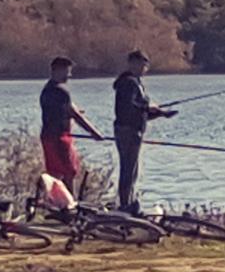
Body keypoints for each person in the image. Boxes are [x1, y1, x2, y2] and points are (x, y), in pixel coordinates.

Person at [112, 50, 176, 215]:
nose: (144, 67)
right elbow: (129, 108)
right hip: (128, 131)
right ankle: (125, 204)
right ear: (131, 63)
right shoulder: (129, 83)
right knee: (128, 169)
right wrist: (149, 108)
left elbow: (139, 112)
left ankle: (128, 202)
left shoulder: (134, 83)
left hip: (131, 129)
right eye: (140, 63)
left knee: (131, 169)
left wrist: (160, 113)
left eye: (145, 64)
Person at [40, 56, 105, 199]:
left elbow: (65, 110)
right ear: (56, 70)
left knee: (55, 173)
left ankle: (57, 203)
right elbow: (74, 114)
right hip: (60, 137)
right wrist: (94, 133)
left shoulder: (47, 89)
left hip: (47, 136)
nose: (69, 75)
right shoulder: (61, 91)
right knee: (69, 171)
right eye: (66, 71)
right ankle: (70, 204)